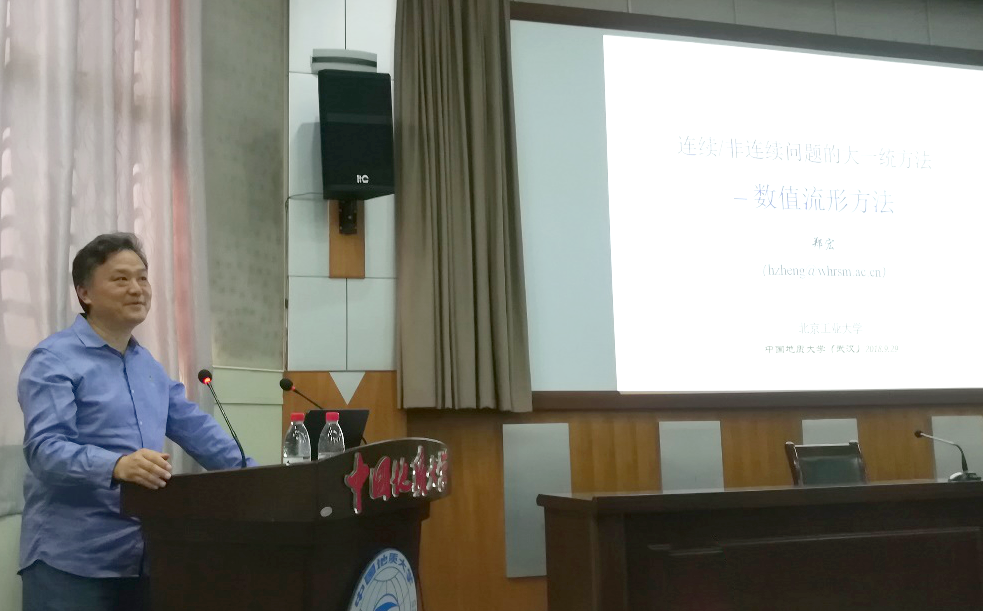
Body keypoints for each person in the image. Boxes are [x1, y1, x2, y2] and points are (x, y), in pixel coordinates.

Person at [18, 232, 256, 611]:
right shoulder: (54, 359)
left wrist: (260, 479)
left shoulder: (147, 366)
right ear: (85, 293)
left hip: (141, 556)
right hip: (72, 561)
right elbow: (44, 451)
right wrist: (115, 465)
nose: (137, 289)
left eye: (142, 278)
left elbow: (198, 431)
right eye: (121, 279)